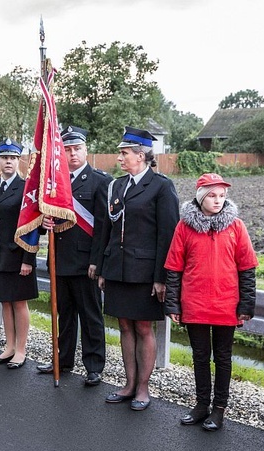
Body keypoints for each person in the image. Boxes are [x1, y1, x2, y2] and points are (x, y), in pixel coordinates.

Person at [163, 173, 258, 431]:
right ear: (201, 197)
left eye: (222, 196)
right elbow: (174, 268)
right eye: (212, 195)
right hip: (195, 303)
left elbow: (247, 268)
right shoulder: (184, 227)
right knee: (200, 356)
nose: (218, 200)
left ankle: (219, 409)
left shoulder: (236, 226)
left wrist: (246, 305)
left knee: (223, 358)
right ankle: (201, 404)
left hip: (226, 304)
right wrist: (173, 304)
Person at [97, 126, 179, 411]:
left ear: (141, 155)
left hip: (145, 273)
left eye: (125, 153)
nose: (120, 158)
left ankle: (143, 388)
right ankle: (129, 384)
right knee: (123, 325)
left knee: (144, 327)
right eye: (121, 153)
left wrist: (161, 277)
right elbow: (107, 229)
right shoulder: (117, 186)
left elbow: (167, 235)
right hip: (118, 269)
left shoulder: (161, 186)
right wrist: (104, 268)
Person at [37, 126, 111, 386]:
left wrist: (96, 261)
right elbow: (42, 214)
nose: (72, 154)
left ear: (86, 149)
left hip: (85, 262)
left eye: (77, 148)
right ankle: (63, 360)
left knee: (91, 315)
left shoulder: (101, 181)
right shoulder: (54, 182)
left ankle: (93, 366)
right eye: (67, 150)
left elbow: (102, 227)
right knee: (64, 316)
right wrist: (43, 222)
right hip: (59, 259)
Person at [0, 138, 37, 369]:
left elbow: (32, 225)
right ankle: (9, 347)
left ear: (18, 160)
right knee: (4, 302)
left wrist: (28, 259)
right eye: (4, 158)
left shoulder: (25, 188)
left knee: (19, 303)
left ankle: (21, 350)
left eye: (12, 158)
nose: (8, 162)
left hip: (17, 255)